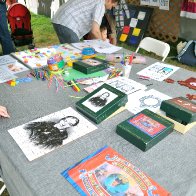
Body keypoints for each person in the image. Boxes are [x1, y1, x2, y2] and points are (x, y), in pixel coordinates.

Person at [52, 0, 119, 44]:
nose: (110, 8)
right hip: (68, 22)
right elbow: (95, 31)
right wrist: (103, 45)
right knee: (75, 54)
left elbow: (92, 32)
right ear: (109, 0)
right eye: (112, 6)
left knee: (69, 51)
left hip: (61, 18)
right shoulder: (101, 4)